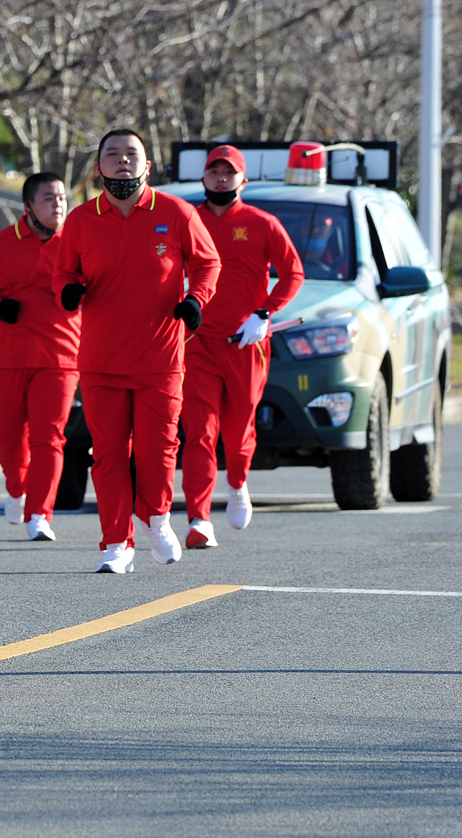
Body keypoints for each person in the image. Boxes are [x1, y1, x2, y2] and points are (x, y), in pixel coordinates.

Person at [52, 128, 221, 573]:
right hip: (101, 360)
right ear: (99, 168)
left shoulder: (176, 212)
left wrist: (195, 299)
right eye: (112, 154)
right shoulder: (81, 220)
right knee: (107, 455)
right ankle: (116, 544)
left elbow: (208, 263)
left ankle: (158, 518)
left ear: (148, 165)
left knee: (157, 451)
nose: (122, 161)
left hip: (160, 360)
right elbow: (63, 271)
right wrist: (68, 289)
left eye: (131, 154)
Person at [182, 144, 304, 549]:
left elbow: (293, 273)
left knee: (236, 434)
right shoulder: (187, 219)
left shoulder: (261, 223)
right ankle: (199, 519)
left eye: (228, 172)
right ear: (203, 177)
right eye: (214, 171)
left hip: (246, 342)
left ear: (242, 181)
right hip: (197, 342)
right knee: (199, 432)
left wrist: (264, 314)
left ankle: (237, 483)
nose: (220, 178)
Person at [0, 172, 80, 541]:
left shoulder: (78, 245)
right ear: (28, 206)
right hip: (9, 357)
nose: (58, 204)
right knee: (10, 439)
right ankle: (17, 488)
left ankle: (40, 515)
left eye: (61, 197)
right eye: (49, 198)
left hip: (61, 358)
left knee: (50, 438)